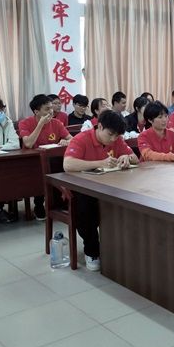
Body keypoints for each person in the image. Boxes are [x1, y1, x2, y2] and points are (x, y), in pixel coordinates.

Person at [64, 110, 139, 271]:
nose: (113, 139)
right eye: (110, 134)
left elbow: (135, 158)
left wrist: (127, 158)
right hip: (84, 189)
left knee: (131, 200)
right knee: (86, 208)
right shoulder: (81, 139)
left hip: (110, 187)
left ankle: (121, 246)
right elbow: (68, 164)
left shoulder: (117, 139)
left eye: (117, 136)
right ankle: (92, 250)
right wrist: (100, 163)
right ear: (99, 126)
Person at [18, 94, 72, 219]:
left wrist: (66, 141)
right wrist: (40, 125)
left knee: (61, 165)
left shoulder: (56, 123)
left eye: (51, 108)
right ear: (36, 111)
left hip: (52, 160)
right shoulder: (25, 123)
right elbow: (28, 143)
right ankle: (39, 204)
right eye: (47, 109)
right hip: (33, 161)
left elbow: (72, 139)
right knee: (43, 171)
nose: (51, 111)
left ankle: (59, 202)